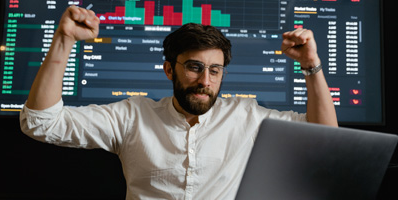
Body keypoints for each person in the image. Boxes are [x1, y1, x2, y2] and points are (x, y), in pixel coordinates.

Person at [20, 6, 337, 199]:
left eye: (215, 70)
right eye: (195, 67)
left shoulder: (245, 116)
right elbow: (41, 123)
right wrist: (64, 39)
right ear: (170, 69)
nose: (205, 81)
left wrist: (311, 63)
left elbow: (327, 137)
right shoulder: (132, 116)